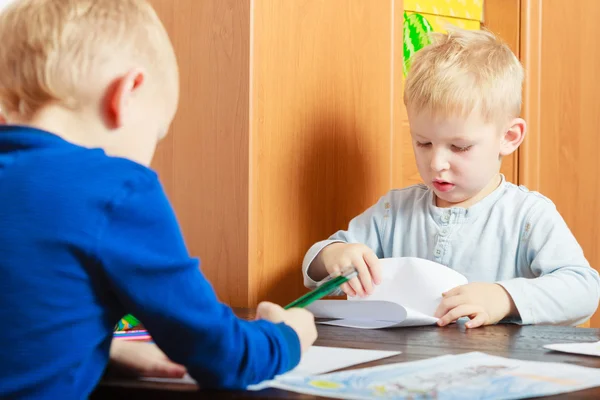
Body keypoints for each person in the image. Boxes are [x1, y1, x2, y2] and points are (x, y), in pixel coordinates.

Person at [0, 0, 316, 397]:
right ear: (126, 93)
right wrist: (288, 336)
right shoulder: (117, 188)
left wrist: (104, 346)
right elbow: (224, 355)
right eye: (157, 135)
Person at [302, 27, 600, 329]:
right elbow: (315, 270)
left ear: (508, 137)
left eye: (459, 147)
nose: (437, 163)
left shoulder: (528, 216)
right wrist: (334, 256)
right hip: (410, 367)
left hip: (497, 368)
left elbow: (584, 288)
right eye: (423, 143)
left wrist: (504, 297)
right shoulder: (394, 212)